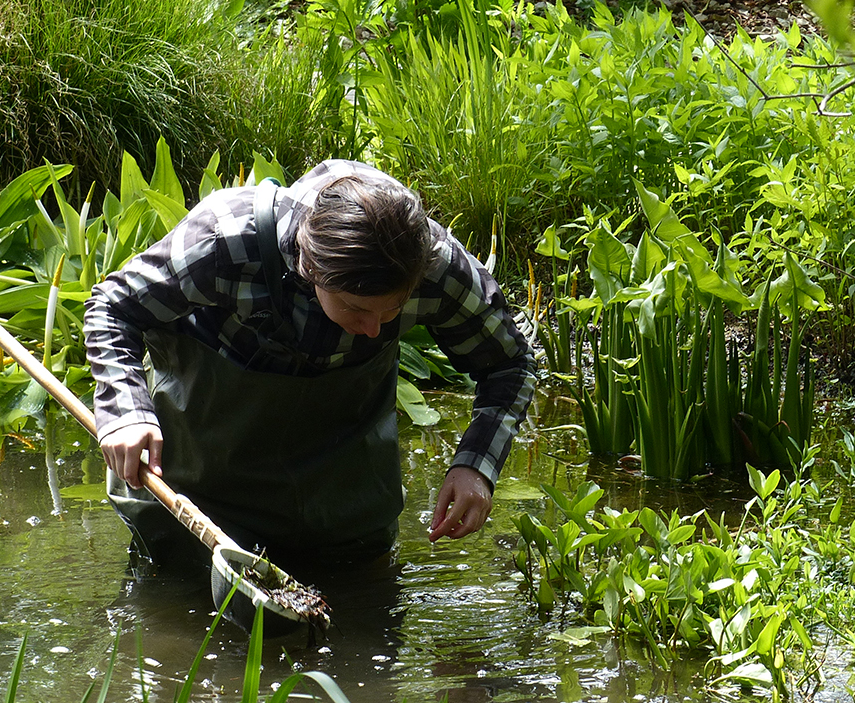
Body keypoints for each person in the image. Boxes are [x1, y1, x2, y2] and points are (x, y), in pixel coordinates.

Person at [84, 160, 537, 568]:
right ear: (309, 267)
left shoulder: (435, 265)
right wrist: (125, 413)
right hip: (193, 499)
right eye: (357, 310)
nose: (375, 329)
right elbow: (112, 308)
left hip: (344, 516)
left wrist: (476, 465)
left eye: (393, 310)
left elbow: (510, 363)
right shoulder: (223, 243)